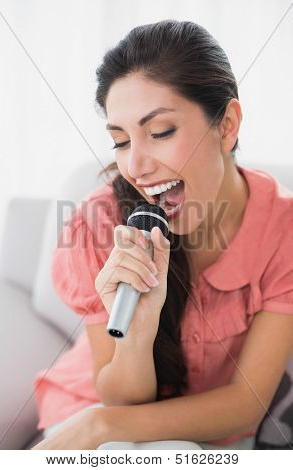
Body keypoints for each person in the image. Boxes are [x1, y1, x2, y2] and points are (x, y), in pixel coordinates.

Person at [32, 19, 293, 450]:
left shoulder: (282, 228)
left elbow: (246, 402)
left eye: (160, 132)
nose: (135, 166)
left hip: (190, 429)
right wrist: (137, 331)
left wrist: (98, 427)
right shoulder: (100, 224)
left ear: (227, 125)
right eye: (120, 140)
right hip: (93, 405)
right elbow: (117, 400)